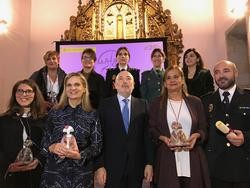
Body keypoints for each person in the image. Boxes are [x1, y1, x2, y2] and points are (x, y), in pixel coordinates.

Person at [149, 65, 210, 188]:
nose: (172, 80)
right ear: (165, 83)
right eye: (169, 78)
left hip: (192, 155)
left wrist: (197, 136)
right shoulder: (156, 103)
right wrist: (163, 138)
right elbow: (152, 128)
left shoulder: (196, 102)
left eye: (176, 77)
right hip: (167, 156)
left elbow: (204, 127)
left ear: (182, 80)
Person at [40, 72, 102, 188]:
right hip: (54, 175)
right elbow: (43, 143)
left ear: (84, 89)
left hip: (81, 176)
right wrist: (52, 147)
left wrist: (80, 155)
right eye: (69, 85)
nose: (73, 88)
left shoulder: (92, 114)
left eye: (77, 85)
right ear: (65, 89)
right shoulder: (54, 113)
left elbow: (97, 146)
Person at [95, 71, 154, 188]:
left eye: (128, 78)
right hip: (111, 167)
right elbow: (99, 137)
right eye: (121, 79)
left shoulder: (143, 104)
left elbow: (147, 137)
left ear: (133, 84)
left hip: (136, 167)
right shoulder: (104, 105)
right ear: (115, 85)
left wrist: (149, 163)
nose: (125, 81)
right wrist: (99, 165)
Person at [202, 60, 250, 188]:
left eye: (226, 71)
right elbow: (202, 131)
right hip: (216, 170)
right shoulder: (206, 101)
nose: (221, 76)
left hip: (244, 169)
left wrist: (245, 137)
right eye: (217, 72)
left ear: (236, 73)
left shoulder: (247, 97)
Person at [0, 79, 47, 188]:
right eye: (19, 91)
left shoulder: (44, 119)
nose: (24, 94)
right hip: (11, 176)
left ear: (35, 95)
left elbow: (49, 145)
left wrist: (39, 160)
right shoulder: (3, 120)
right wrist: (8, 165)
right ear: (14, 94)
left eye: (29, 91)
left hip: (38, 174)